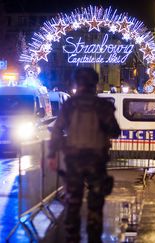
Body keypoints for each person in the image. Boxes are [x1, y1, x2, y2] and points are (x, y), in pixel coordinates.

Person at [48, 67, 121, 243]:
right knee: (95, 204)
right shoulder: (102, 106)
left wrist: (51, 154)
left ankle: (72, 237)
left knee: (73, 203)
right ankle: (94, 237)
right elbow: (115, 131)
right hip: (96, 160)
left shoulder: (70, 104)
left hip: (74, 160)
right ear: (95, 83)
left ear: (77, 83)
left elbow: (57, 130)